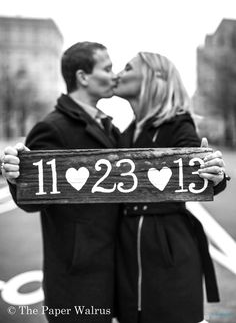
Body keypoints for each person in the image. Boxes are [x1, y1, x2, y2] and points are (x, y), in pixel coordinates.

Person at [1, 41, 121, 323]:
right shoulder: (52, 128)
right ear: (83, 77)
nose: (114, 75)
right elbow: (31, 200)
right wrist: (18, 176)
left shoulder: (111, 127)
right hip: (76, 278)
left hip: (111, 267)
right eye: (107, 68)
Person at [113, 52, 228, 323]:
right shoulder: (125, 133)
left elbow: (201, 169)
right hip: (126, 249)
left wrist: (215, 174)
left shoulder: (178, 123)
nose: (119, 73)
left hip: (167, 249)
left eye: (128, 67)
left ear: (157, 77)